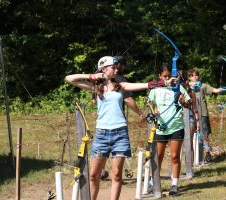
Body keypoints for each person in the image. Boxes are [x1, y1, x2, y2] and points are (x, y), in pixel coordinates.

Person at [65, 56, 176, 200]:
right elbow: (69, 78)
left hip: (120, 134)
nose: (117, 69)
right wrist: (91, 76)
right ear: (104, 69)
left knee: (116, 174)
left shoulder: (120, 85)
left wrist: (164, 82)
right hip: (101, 134)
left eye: (117, 67)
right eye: (113, 67)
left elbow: (143, 85)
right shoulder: (95, 87)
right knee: (93, 175)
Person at [148, 64, 191, 196]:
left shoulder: (178, 87)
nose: (167, 78)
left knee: (174, 156)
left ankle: (174, 185)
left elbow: (188, 104)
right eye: (165, 76)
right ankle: (153, 182)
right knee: (158, 156)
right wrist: (153, 108)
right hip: (162, 127)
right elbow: (149, 103)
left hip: (176, 126)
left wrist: (183, 102)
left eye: (170, 76)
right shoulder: (155, 89)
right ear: (160, 77)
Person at [188, 68, 226, 163]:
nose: (195, 77)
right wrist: (189, 84)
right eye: (192, 75)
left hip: (203, 114)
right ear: (189, 77)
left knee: (204, 134)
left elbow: (216, 90)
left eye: (196, 75)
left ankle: (208, 153)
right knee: (189, 135)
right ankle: (190, 159)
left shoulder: (203, 86)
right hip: (190, 114)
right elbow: (176, 84)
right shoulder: (186, 87)